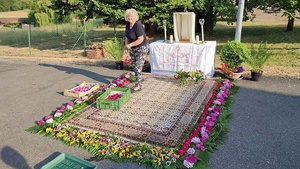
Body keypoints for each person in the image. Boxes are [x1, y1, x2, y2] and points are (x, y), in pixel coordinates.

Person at [124, 8, 149, 92]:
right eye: (128, 16)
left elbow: (140, 39)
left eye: (131, 16)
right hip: (134, 48)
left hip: (142, 47)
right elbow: (127, 36)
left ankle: (138, 85)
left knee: (138, 66)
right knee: (134, 65)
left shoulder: (138, 25)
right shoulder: (127, 24)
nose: (129, 18)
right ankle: (139, 78)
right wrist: (126, 47)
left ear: (135, 17)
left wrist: (130, 45)